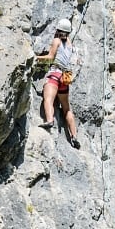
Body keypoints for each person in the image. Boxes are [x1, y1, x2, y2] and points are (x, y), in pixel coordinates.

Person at [35, 18, 81, 149]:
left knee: (48, 99)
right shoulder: (70, 44)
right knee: (66, 109)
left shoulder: (57, 41)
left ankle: (49, 121)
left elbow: (50, 57)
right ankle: (74, 136)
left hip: (55, 74)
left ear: (58, 29)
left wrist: (35, 57)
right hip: (65, 79)